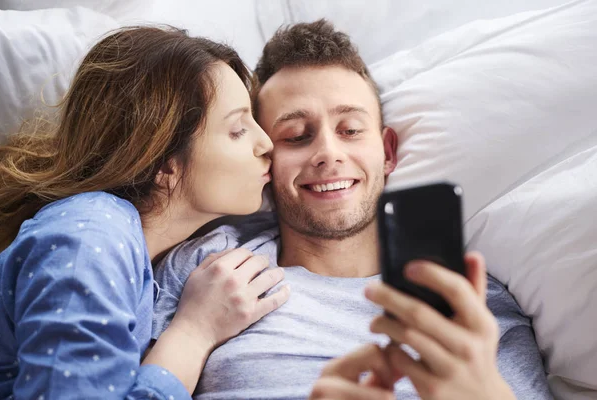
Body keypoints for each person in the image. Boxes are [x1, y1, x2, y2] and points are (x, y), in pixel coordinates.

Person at [152, 20, 553, 400]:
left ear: (388, 152)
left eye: (350, 130)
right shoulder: (208, 271)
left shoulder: (471, 306)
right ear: (266, 161)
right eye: (295, 136)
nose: (329, 152)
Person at [0, 26, 290, 399]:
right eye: (237, 130)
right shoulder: (89, 241)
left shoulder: (132, 247)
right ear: (163, 162)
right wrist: (193, 332)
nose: (266, 143)